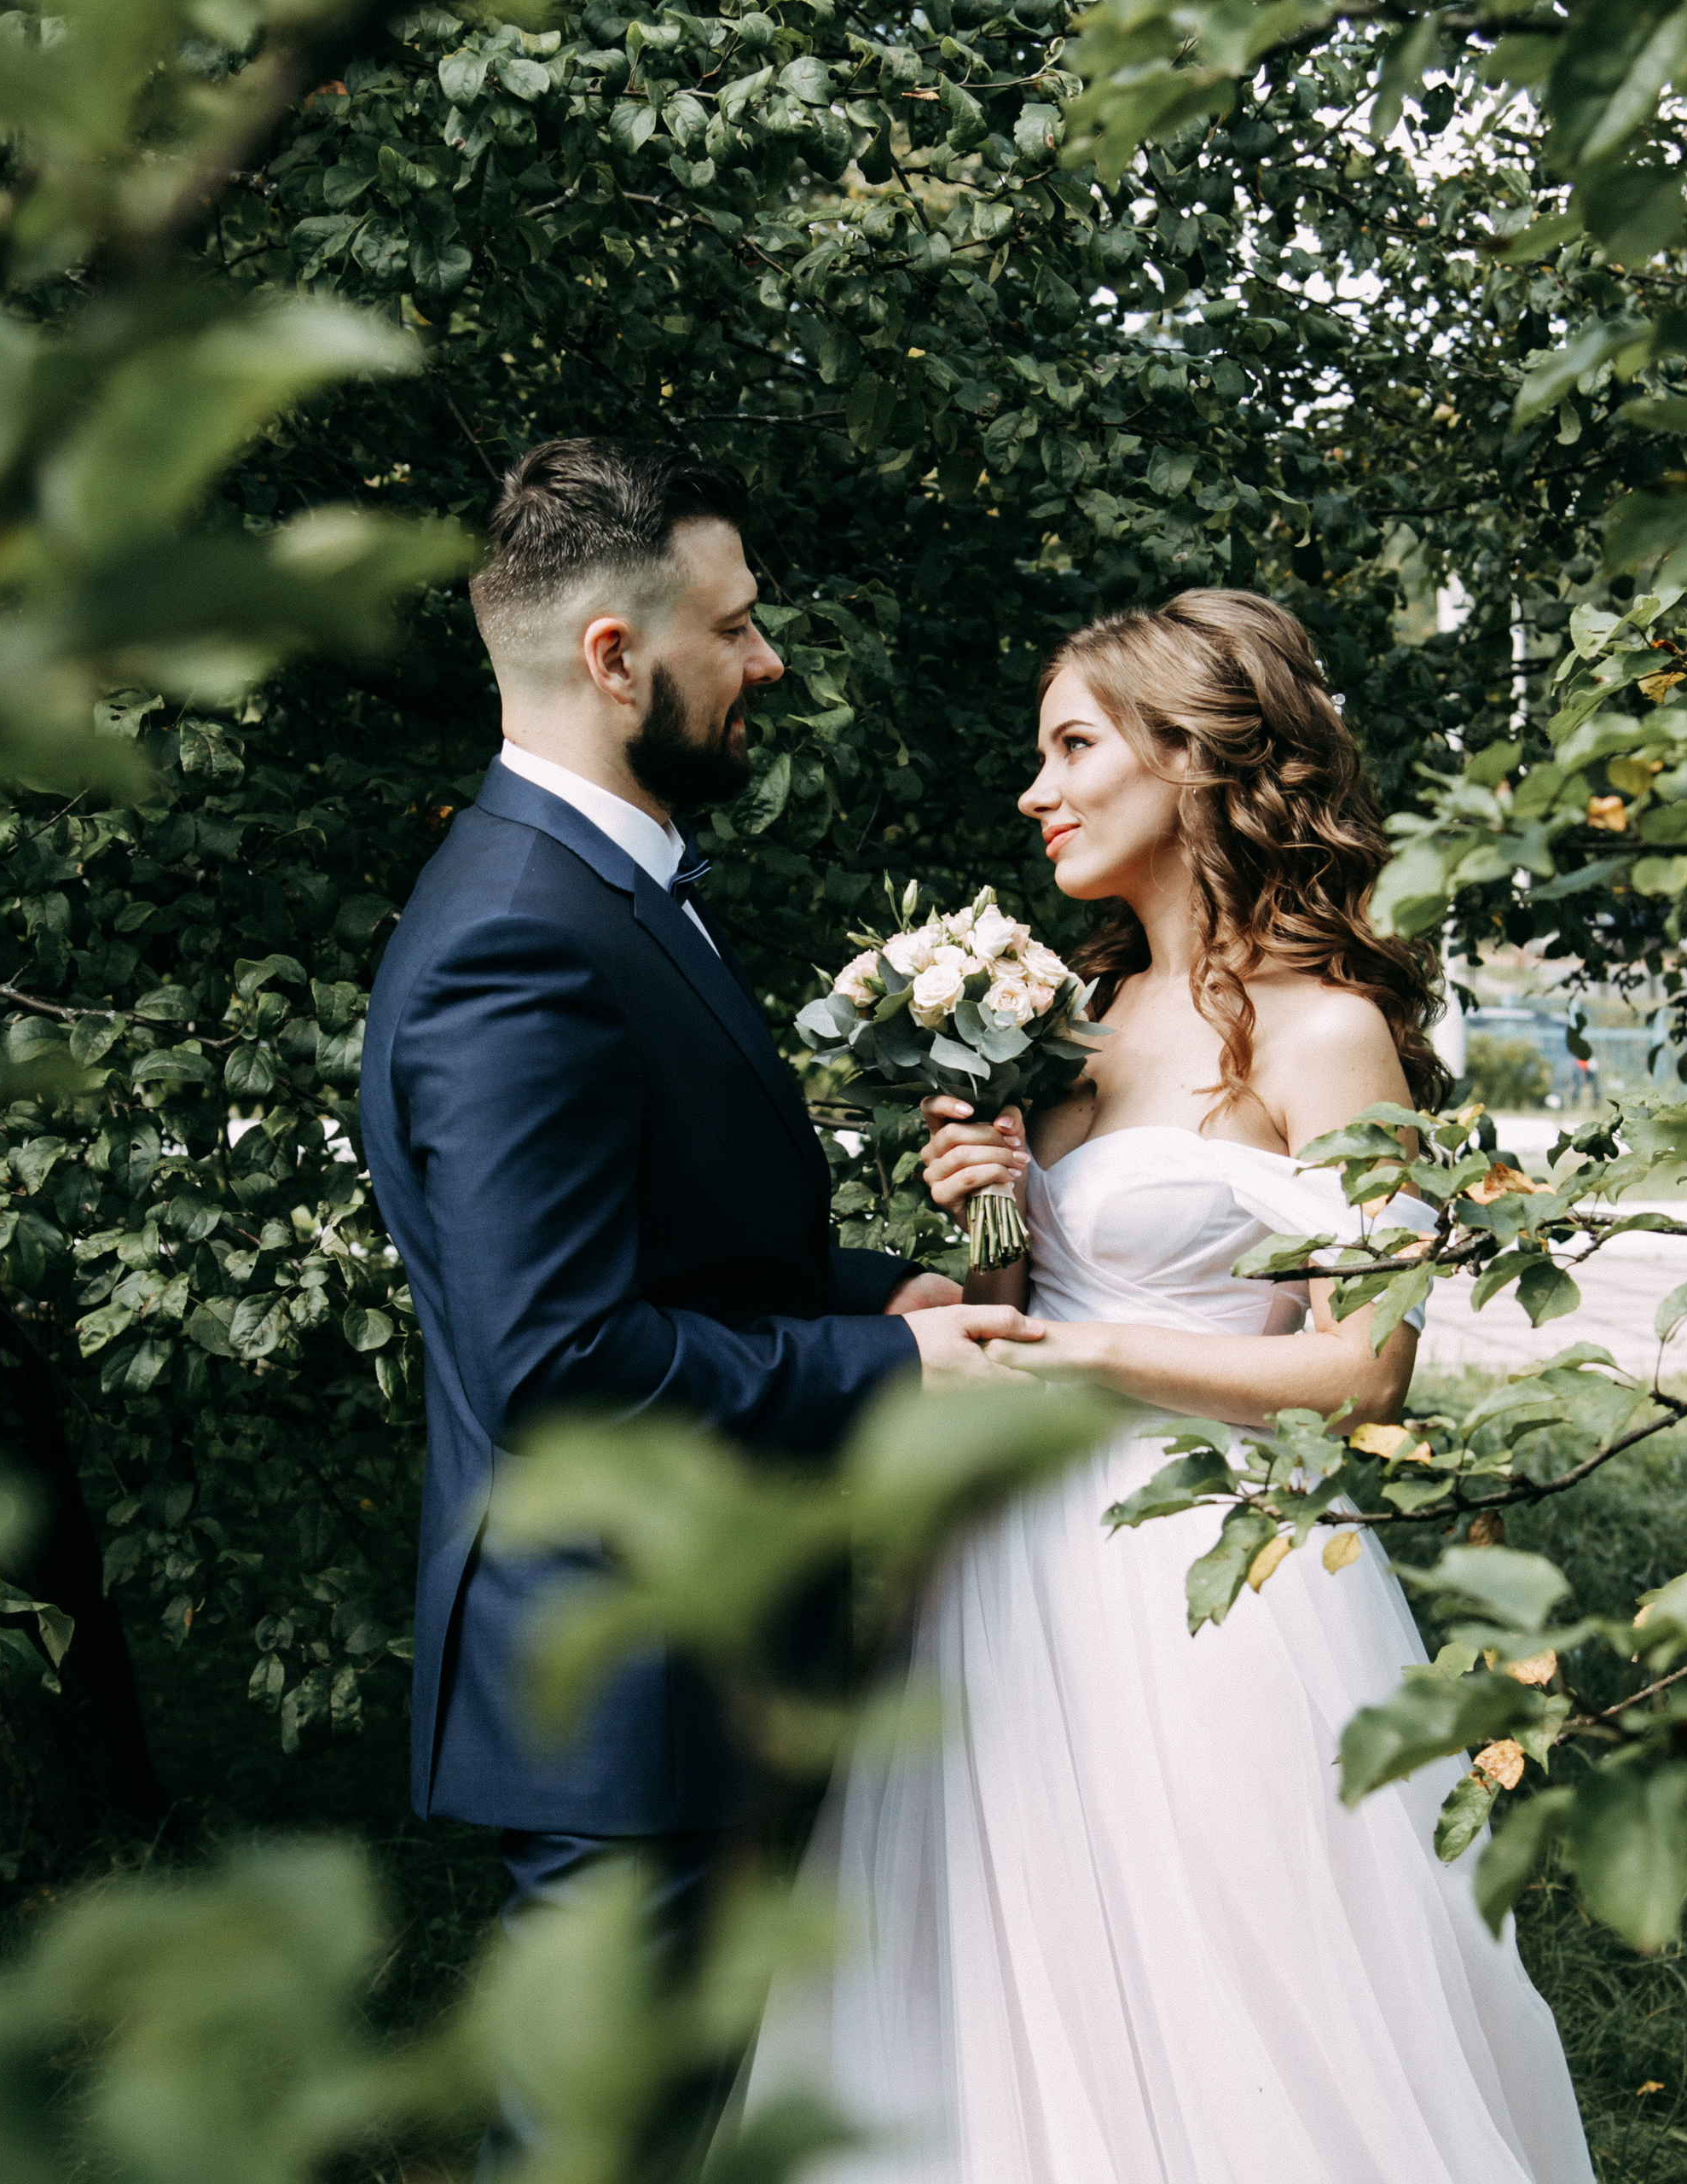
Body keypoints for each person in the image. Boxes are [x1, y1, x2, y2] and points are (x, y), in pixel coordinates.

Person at [746, 591, 1596, 2182]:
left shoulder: (1330, 1032)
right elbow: (1018, 1298)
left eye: (1074, 746)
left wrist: (1098, 1354)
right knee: (987, 1975)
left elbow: (1364, 1365)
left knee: (1231, 1993)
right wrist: (987, 1202)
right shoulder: (1069, 1022)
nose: (1036, 791)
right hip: (993, 1564)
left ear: (1195, 764)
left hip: (1206, 1579)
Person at [357, 439, 1042, 2079]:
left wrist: (872, 1288)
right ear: (616, 657)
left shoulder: (605, 891)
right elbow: (557, 1365)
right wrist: (889, 1367)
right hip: (625, 1688)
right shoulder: (522, 936)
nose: (766, 659)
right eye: (732, 628)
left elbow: (674, 1257)